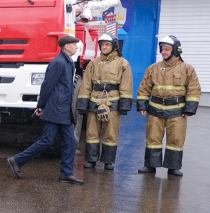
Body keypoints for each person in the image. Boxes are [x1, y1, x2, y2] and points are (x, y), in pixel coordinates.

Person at [7, 35, 83, 184]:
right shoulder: (58, 63)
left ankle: (66, 174)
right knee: (47, 141)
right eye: (74, 44)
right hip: (55, 109)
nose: (76, 47)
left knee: (70, 141)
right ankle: (16, 160)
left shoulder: (69, 63)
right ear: (66, 47)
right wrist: (40, 106)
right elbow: (47, 86)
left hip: (63, 110)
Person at [136, 36, 201, 177]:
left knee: (175, 140)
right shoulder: (153, 68)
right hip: (155, 110)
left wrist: (189, 108)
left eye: (167, 49)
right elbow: (144, 88)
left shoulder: (187, 69)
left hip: (177, 111)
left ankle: (173, 167)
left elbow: (194, 89)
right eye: (162, 49)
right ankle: (150, 166)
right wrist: (142, 104)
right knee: (153, 139)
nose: (163, 52)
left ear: (176, 50)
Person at [76, 33, 133, 171]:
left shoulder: (122, 63)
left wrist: (124, 105)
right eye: (102, 44)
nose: (104, 47)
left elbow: (126, 84)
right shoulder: (93, 63)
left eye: (107, 44)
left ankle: (108, 161)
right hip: (95, 100)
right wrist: (83, 103)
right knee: (92, 132)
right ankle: (91, 159)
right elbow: (86, 84)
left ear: (114, 46)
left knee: (111, 132)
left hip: (112, 101)